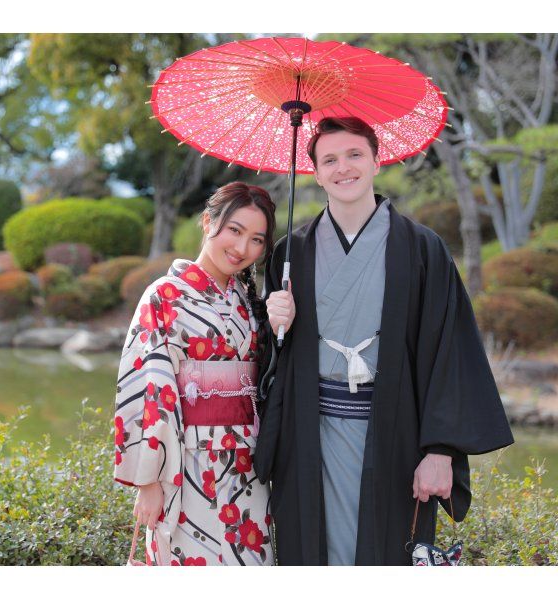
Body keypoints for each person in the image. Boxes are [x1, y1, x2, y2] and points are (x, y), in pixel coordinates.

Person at [254, 117, 514, 566]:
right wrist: (276, 324)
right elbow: (266, 362)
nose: (344, 168)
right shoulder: (289, 253)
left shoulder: (422, 248)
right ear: (315, 173)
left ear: (377, 161)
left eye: (355, 154)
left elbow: (449, 351)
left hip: (396, 435)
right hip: (309, 436)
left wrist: (440, 451)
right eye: (329, 159)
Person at [113, 182, 290, 566]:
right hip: (186, 463)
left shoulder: (250, 303)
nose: (242, 249)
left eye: (257, 239)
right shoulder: (164, 295)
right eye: (235, 230)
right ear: (208, 221)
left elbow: (268, 382)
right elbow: (148, 389)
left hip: (248, 464)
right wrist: (148, 480)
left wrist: (278, 328)